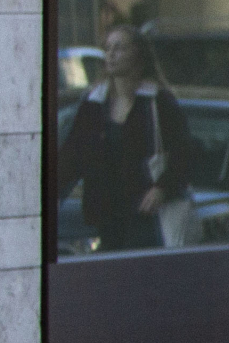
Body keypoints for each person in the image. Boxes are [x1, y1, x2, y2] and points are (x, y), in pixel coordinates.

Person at [55, 25, 192, 251]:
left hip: (146, 216)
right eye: (108, 48)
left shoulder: (157, 101)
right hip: (104, 214)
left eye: (119, 48)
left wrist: (162, 188)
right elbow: (73, 153)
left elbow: (184, 151)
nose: (111, 54)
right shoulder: (94, 102)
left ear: (138, 54)